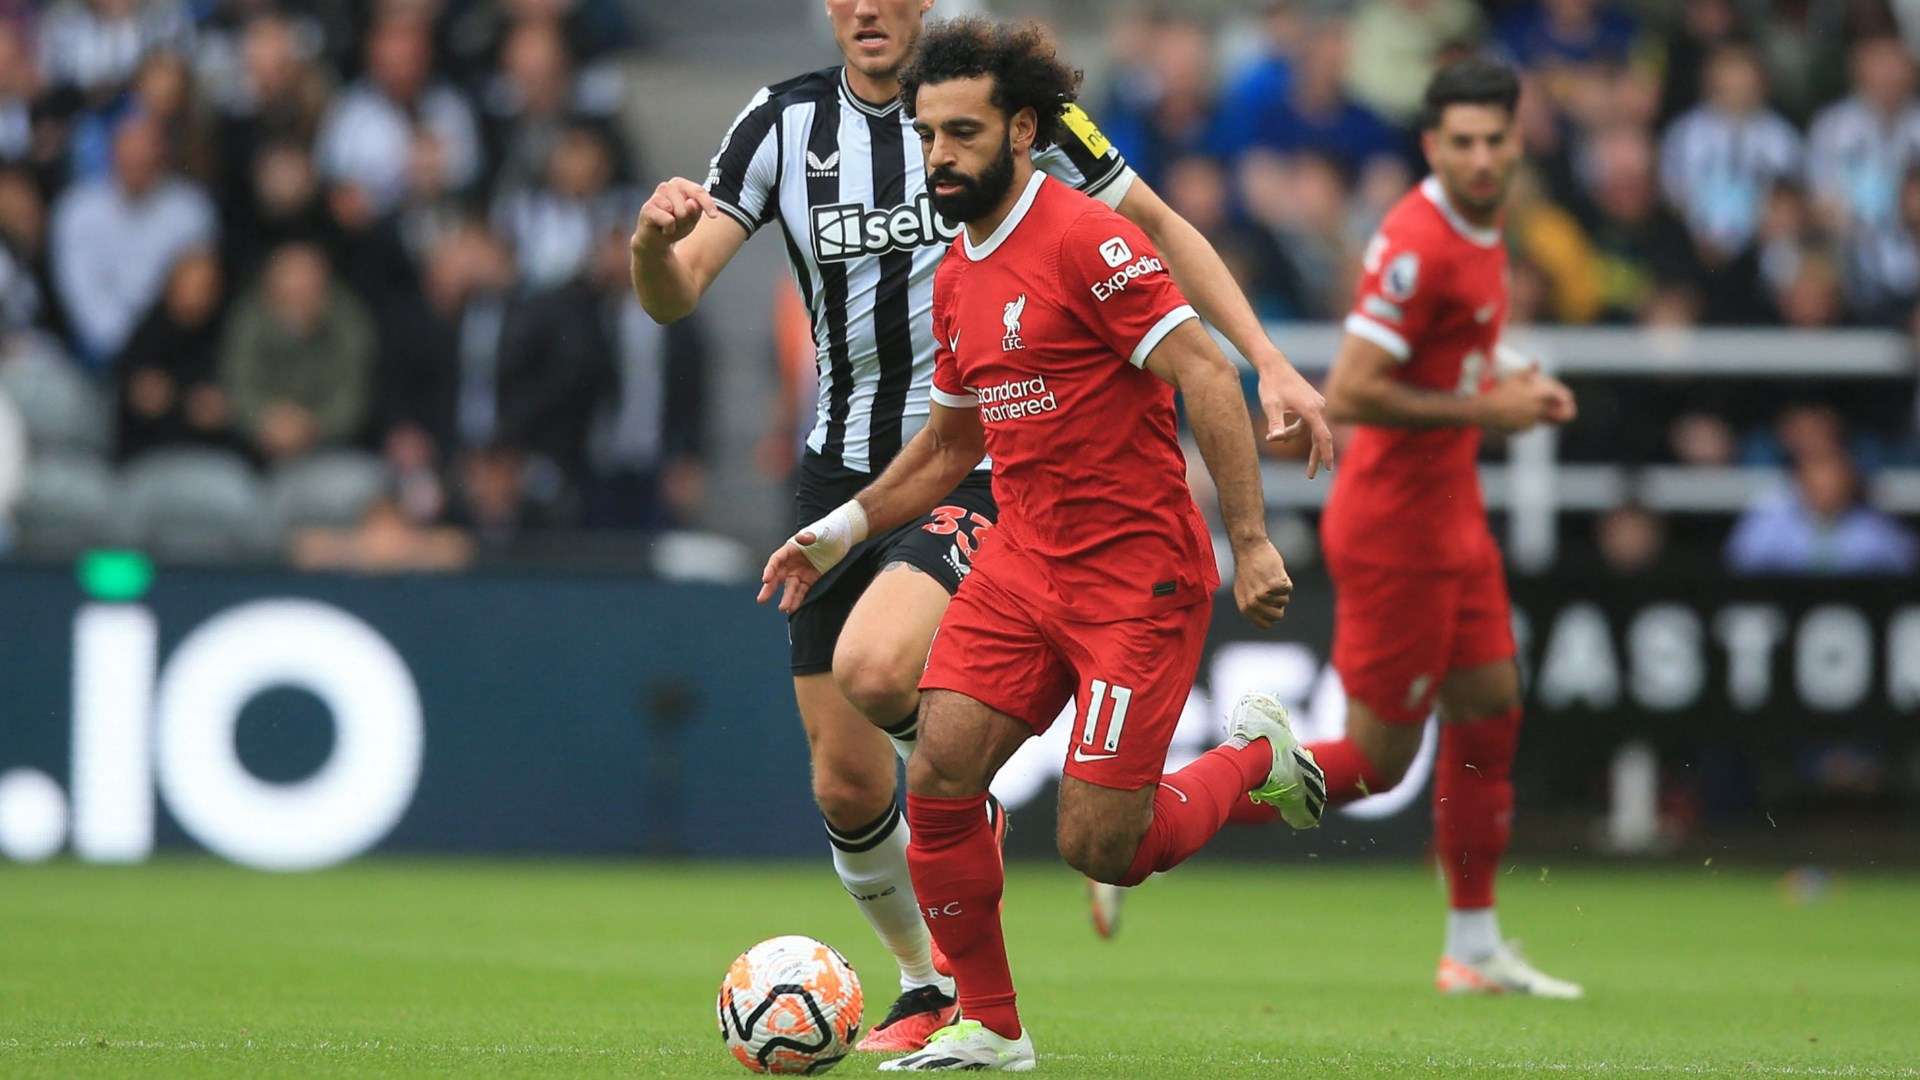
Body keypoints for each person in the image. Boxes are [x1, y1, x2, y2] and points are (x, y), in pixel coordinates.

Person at [628, 0, 1333, 1053]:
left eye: (959, 135)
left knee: (961, 735)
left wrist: (1264, 399)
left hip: (1065, 516)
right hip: (893, 480)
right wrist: (650, 246)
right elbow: (681, 295)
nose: (939, 155)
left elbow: (1177, 284)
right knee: (872, 776)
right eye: (928, 137)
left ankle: (1184, 778)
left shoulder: (1065, 195)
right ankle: (954, 1001)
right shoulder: (801, 142)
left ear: (1015, 128)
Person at [1262, 57, 1585, 997]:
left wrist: (1515, 374)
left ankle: (1474, 947)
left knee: (1490, 706)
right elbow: (1356, 389)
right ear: (1434, 146)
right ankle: (1151, 815)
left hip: (1452, 517)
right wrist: (1491, 413)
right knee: (1373, 764)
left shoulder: (1481, 227)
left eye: (1496, 140)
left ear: (1517, 142)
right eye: (1463, 142)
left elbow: (1457, 345)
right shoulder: (1420, 242)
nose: (1482, 157)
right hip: (1398, 526)